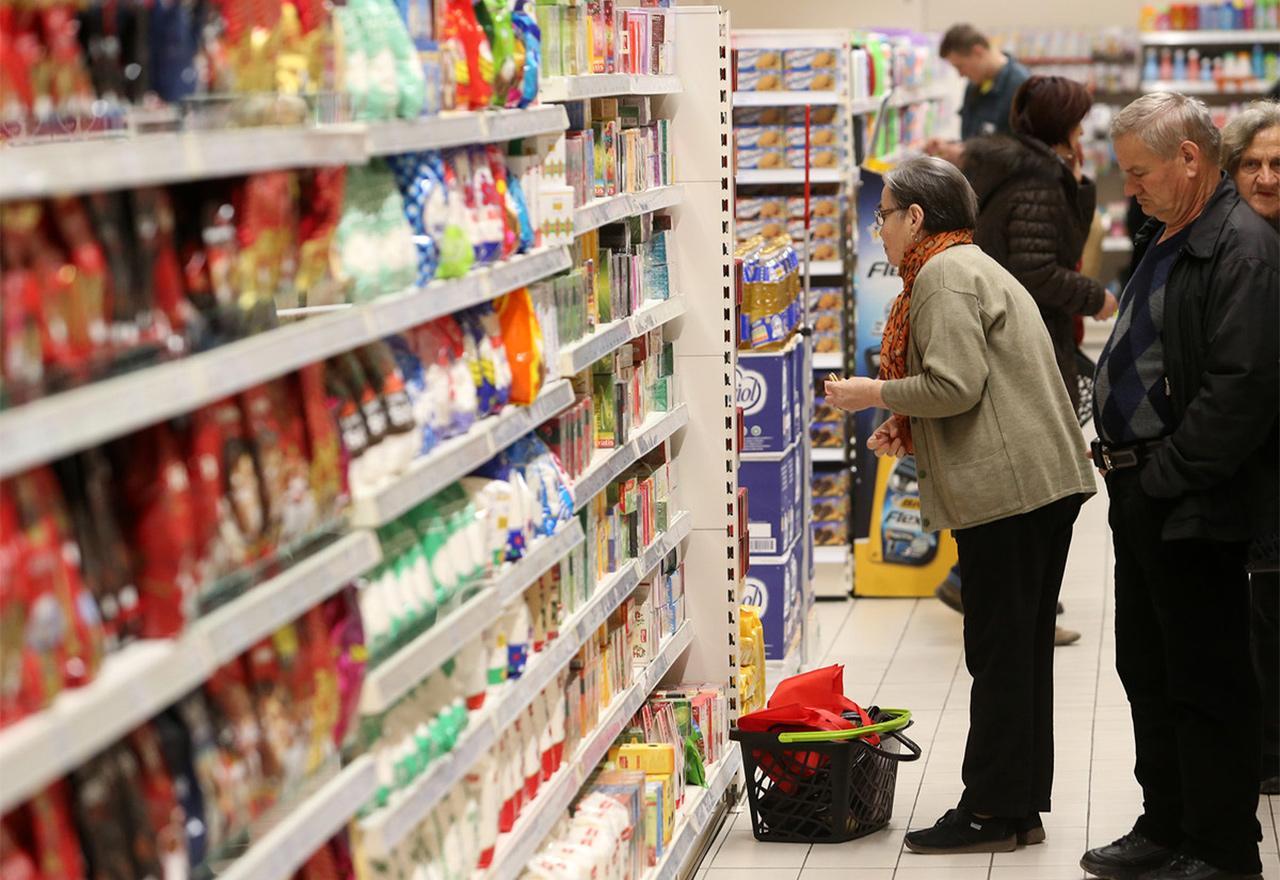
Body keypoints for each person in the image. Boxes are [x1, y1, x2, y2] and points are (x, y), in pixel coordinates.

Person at [824, 156, 1095, 854]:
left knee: (998, 654)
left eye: (885, 213)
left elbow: (953, 386)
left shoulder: (941, 277)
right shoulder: (969, 264)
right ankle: (1018, 807)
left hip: (1008, 494)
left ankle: (988, 812)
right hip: (1037, 485)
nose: (879, 226)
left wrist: (873, 394)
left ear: (916, 218)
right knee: (1021, 652)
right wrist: (905, 419)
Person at [1078, 93, 1279, 880]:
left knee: (1207, 679)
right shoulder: (1171, 233)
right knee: (1149, 667)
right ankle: (1166, 824)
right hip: (1145, 493)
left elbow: (1243, 386)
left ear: (1190, 159)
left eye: (1139, 172)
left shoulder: (1244, 247)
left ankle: (1222, 849)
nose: (1130, 189)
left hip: (1192, 497)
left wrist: (1167, 474)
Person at [1222, 99, 1280, 798]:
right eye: (1252, 164)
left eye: (1277, 165)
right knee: (1261, 612)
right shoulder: (1232, 246)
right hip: (1249, 469)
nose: (1265, 177)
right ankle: (1266, 749)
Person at [924, 24, 1030, 165]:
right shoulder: (975, 85)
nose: (960, 75)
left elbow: (1024, 151)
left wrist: (966, 154)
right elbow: (977, 137)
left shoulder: (1020, 86)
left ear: (978, 52)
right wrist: (950, 146)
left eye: (960, 66)